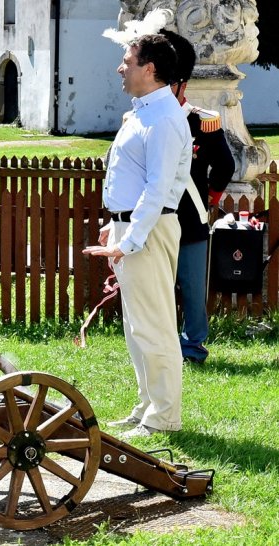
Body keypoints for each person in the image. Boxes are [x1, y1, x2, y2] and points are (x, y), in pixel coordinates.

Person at [82, 33, 192, 438]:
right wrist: (118, 225)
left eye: (127, 60)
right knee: (136, 326)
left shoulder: (163, 117)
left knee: (154, 325)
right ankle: (148, 405)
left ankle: (164, 417)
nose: (120, 67)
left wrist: (128, 241)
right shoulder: (145, 112)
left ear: (150, 68)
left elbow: (158, 189)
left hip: (149, 229)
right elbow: (132, 181)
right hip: (134, 227)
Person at [161, 30, 235, 364]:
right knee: (158, 286)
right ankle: (163, 343)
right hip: (156, 219)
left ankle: (192, 345)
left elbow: (225, 164)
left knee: (191, 286)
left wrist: (211, 200)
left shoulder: (202, 121)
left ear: (181, 85)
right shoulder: (144, 119)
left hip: (189, 216)